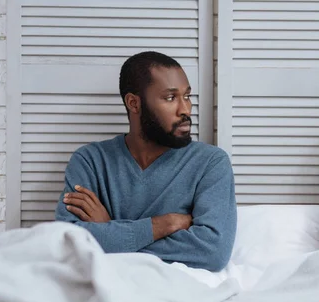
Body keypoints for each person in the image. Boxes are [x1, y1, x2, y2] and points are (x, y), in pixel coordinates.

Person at [55, 51, 237, 272]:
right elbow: (68, 244)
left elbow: (213, 252)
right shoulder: (90, 161)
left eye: (187, 96)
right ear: (134, 103)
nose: (185, 109)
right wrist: (163, 225)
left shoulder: (210, 163)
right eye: (170, 98)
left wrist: (108, 231)